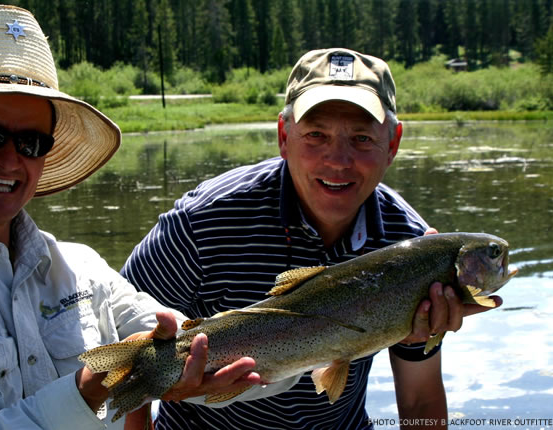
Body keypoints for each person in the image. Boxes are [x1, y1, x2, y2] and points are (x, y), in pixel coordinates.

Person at [0, 5, 269, 429]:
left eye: (31, 142)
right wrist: (88, 389)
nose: (8, 159)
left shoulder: (80, 267)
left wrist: (321, 332)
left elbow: (195, 344)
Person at [121, 48, 503, 429]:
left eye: (362, 138)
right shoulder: (201, 223)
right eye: (316, 135)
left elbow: (420, 400)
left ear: (393, 143)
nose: (338, 160)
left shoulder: (411, 245)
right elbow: (121, 343)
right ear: (284, 136)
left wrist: (410, 334)